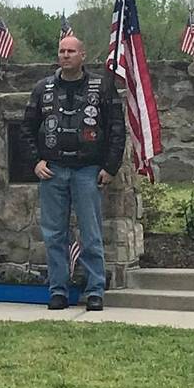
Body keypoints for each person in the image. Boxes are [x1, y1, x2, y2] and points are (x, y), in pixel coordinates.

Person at [19, 35, 125, 312]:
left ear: (82, 55)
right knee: (54, 235)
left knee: (90, 233)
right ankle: (58, 291)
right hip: (53, 170)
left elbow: (116, 128)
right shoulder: (43, 89)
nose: (65, 56)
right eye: (62, 51)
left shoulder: (102, 87)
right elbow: (27, 129)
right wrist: (35, 161)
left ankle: (94, 291)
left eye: (71, 51)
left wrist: (110, 167)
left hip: (88, 171)